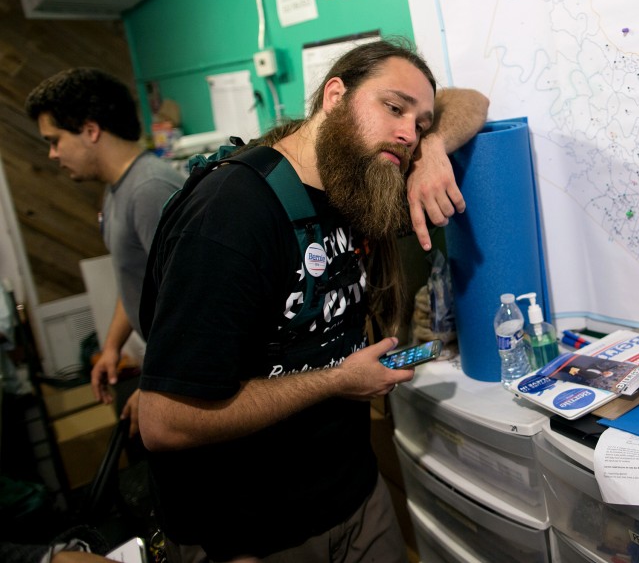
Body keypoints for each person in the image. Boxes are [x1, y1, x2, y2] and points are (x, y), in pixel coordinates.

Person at [137, 38, 488, 562]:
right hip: (248, 533)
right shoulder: (231, 215)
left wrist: (433, 147)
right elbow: (164, 422)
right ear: (334, 96)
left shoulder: (359, 183)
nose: (406, 133)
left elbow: (473, 101)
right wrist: (339, 381)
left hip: (352, 498)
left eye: (418, 123)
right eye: (393, 108)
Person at [26, 68, 185, 437]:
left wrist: (156, 387)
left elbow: (192, 302)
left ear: (90, 130)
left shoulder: (150, 190)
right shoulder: (118, 188)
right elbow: (138, 277)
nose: (51, 154)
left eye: (55, 140)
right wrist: (111, 346)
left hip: (185, 372)